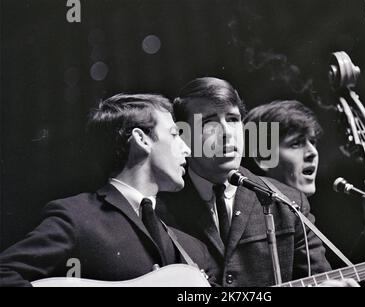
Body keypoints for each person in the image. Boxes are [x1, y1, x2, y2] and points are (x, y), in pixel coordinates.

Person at [0, 93, 218, 287]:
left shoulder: (193, 250)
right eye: (173, 134)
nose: (187, 149)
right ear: (142, 140)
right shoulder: (77, 217)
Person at [156, 77, 355, 287]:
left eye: (233, 119)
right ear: (183, 136)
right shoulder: (157, 207)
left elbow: (320, 277)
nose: (227, 133)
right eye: (209, 122)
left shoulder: (289, 202)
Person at [242, 99, 365, 248]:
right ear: (262, 159)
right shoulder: (247, 228)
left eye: (313, 142)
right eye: (296, 143)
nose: (312, 152)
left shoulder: (308, 218)